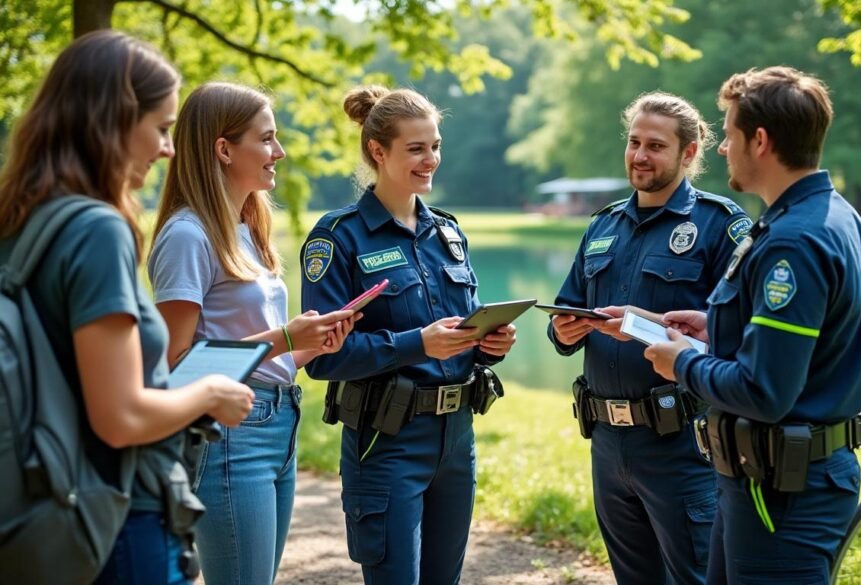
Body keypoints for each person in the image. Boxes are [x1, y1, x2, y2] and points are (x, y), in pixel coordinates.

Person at [0, 31, 256, 584]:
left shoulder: (20, 221)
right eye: (161, 129)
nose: (168, 148)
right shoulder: (95, 230)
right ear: (112, 122)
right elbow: (121, 418)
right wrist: (211, 392)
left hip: (43, 500)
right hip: (118, 513)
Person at [644, 66, 861, 583]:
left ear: (760, 140)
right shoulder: (835, 215)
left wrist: (683, 361)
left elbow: (764, 391)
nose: (723, 149)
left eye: (728, 134)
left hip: (781, 494)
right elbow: (812, 340)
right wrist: (718, 329)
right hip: (770, 483)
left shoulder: (793, 243)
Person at [300, 85, 518, 584]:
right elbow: (321, 357)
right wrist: (416, 343)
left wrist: (490, 345)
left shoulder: (448, 232)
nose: (431, 159)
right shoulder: (339, 237)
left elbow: (462, 327)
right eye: (416, 148)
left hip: (456, 438)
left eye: (436, 145)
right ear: (378, 151)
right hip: (386, 440)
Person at [148, 81, 358, 585]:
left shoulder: (246, 229)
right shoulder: (186, 236)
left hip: (277, 420)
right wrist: (286, 338)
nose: (279, 152)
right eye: (266, 139)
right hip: (229, 437)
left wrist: (309, 346)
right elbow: (175, 364)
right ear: (223, 149)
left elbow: (258, 353)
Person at [547, 91, 752, 584]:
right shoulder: (602, 226)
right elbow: (566, 311)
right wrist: (562, 330)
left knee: (696, 577)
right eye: (634, 142)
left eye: (655, 146)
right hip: (607, 442)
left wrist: (649, 325)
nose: (640, 155)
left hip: (681, 443)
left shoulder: (720, 226)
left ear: (688, 153)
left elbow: (740, 338)